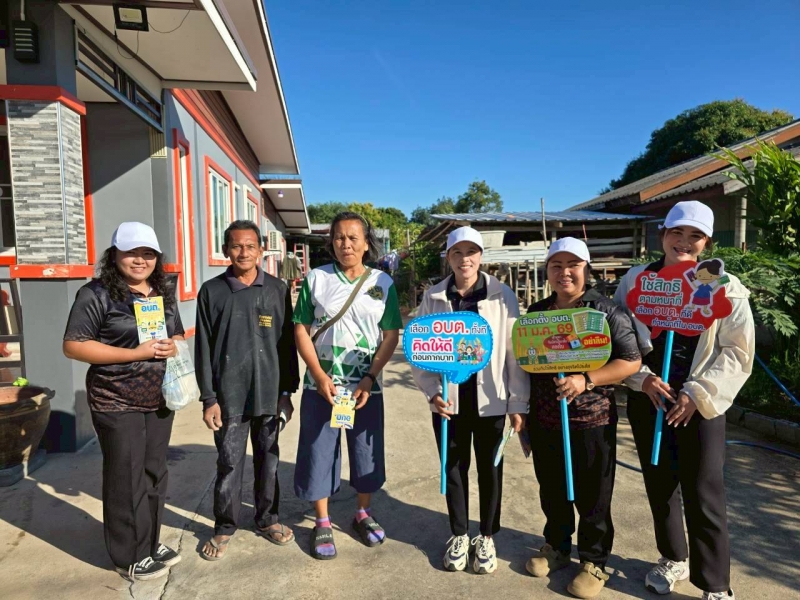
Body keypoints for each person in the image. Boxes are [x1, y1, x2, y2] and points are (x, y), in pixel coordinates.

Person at [614, 201, 754, 600]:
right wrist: (641, 379)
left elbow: (737, 351)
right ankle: (673, 556)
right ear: (663, 234)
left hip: (702, 404)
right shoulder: (637, 280)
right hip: (651, 399)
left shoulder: (725, 286)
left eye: (695, 235)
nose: (684, 242)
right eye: (677, 232)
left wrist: (697, 392)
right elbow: (619, 336)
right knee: (660, 484)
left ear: (706, 243)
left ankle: (715, 583)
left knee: (704, 488)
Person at [63, 222, 184, 581]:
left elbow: (177, 333)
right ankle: (129, 555)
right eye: (131, 252)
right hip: (116, 398)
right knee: (126, 476)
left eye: (148, 253)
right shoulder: (96, 294)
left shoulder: (162, 291)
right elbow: (74, 345)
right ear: (114, 254)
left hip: (158, 397)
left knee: (154, 472)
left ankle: (149, 543)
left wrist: (173, 345)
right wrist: (134, 353)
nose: (140, 260)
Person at [525, 237, 641, 599]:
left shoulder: (607, 312)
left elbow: (631, 361)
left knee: (594, 495)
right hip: (546, 419)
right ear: (547, 271)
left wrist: (586, 379)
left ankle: (594, 560)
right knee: (552, 489)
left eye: (573, 265)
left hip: (592, 421)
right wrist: (523, 415)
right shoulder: (537, 313)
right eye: (556, 266)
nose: (565, 273)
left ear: (586, 269)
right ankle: (557, 546)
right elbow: (526, 363)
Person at [411, 226, 530, 575]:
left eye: (471, 252)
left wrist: (517, 403)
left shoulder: (501, 295)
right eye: (457, 253)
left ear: (481, 256)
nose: (465, 259)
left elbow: (514, 353)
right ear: (448, 257)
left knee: (490, 469)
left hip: (490, 400)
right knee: (453, 468)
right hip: (449, 404)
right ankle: (460, 533)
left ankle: (487, 535)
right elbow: (421, 352)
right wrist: (432, 392)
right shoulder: (434, 297)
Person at [293, 211, 402, 560]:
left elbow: (390, 334)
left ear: (366, 243)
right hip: (321, 386)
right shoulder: (316, 278)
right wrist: (318, 374)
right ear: (331, 242)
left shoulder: (382, 283)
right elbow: (301, 328)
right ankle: (322, 520)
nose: (346, 244)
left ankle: (362, 513)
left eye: (353, 238)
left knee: (366, 451)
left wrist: (370, 376)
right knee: (319, 451)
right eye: (339, 237)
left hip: (365, 388)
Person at [194, 220, 300, 561]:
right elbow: (203, 348)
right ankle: (225, 525)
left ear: (261, 250)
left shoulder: (277, 289)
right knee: (229, 462)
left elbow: (288, 345)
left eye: (250, 246)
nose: (244, 252)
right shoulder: (212, 291)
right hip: (229, 395)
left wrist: (287, 392)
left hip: (270, 392)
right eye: (237, 246)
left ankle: (267, 518)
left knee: (269, 460)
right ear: (226, 250)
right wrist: (209, 398)